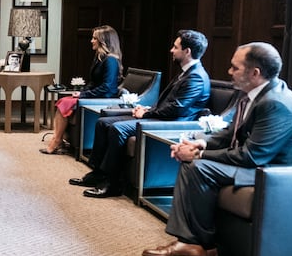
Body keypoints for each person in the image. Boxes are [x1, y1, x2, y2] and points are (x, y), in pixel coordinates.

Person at [142, 42, 292, 256]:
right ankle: (196, 245)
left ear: (255, 73)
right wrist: (200, 143)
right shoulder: (256, 93)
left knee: (197, 167)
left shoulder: (275, 104)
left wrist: (198, 156)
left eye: (234, 68)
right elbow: (231, 132)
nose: (229, 72)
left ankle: (194, 243)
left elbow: (251, 156)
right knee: (193, 164)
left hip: (276, 175)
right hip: (258, 163)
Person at [71, 29, 211, 198]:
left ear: (187, 51)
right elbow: (167, 103)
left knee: (118, 129)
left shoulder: (196, 77)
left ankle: (113, 183)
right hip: (160, 116)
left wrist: (146, 115)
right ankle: (98, 173)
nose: (171, 50)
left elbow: (177, 109)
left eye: (175, 47)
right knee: (103, 122)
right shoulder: (186, 72)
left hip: (171, 123)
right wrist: (147, 109)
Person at [41, 25, 122, 155]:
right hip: (94, 94)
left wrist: (84, 94)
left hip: (104, 98)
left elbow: (107, 87)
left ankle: (56, 141)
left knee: (65, 102)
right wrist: (81, 92)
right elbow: (93, 82)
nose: (91, 41)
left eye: (94, 38)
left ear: (103, 41)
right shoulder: (100, 58)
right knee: (63, 101)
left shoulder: (111, 60)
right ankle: (58, 139)